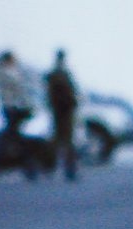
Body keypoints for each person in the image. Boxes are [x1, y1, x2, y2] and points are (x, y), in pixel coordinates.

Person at [0, 51, 38, 176]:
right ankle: (27, 164)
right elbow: (12, 91)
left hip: (15, 108)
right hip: (11, 108)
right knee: (14, 136)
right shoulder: (5, 73)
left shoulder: (12, 72)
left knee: (12, 136)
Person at [44, 49, 79, 180]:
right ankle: (64, 167)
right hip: (63, 109)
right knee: (64, 139)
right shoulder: (60, 74)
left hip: (61, 109)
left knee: (61, 139)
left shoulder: (57, 73)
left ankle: (59, 166)